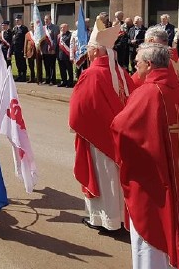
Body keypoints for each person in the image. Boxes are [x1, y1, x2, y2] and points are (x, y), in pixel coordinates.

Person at [111, 43, 179, 269]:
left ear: (149, 65)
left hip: (156, 180)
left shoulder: (147, 93)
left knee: (155, 228)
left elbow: (121, 128)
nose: (135, 66)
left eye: (137, 62)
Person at [69, 23, 135, 232]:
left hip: (99, 138)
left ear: (96, 50)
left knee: (104, 178)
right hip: (123, 137)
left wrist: (80, 127)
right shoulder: (123, 73)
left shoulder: (91, 74)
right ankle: (124, 219)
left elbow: (81, 109)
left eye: (88, 48)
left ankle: (106, 220)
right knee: (119, 178)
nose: (86, 52)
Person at [41, 14, 58, 85]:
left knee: (52, 65)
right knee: (46, 65)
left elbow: (55, 39)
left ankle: (52, 80)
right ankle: (47, 79)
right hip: (44, 50)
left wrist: (53, 48)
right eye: (45, 19)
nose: (46, 21)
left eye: (47, 19)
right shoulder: (42, 28)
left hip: (51, 50)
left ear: (50, 20)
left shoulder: (55, 27)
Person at [57, 23, 73, 88]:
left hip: (67, 55)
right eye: (61, 28)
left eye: (64, 27)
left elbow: (71, 45)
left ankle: (70, 82)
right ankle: (64, 81)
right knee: (62, 70)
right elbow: (57, 46)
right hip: (60, 55)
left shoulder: (70, 35)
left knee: (69, 69)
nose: (62, 29)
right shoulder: (59, 36)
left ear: (67, 28)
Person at [12, 15, 29, 82]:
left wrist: (24, 48)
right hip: (16, 49)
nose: (17, 21)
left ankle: (24, 76)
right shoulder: (14, 28)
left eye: (18, 20)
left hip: (22, 48)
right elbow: (13, 39)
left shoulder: (24, 28)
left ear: (21, 20)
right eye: (16, 20)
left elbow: (26, 39)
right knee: (17, 63)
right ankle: (19, 75)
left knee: (23, 63)